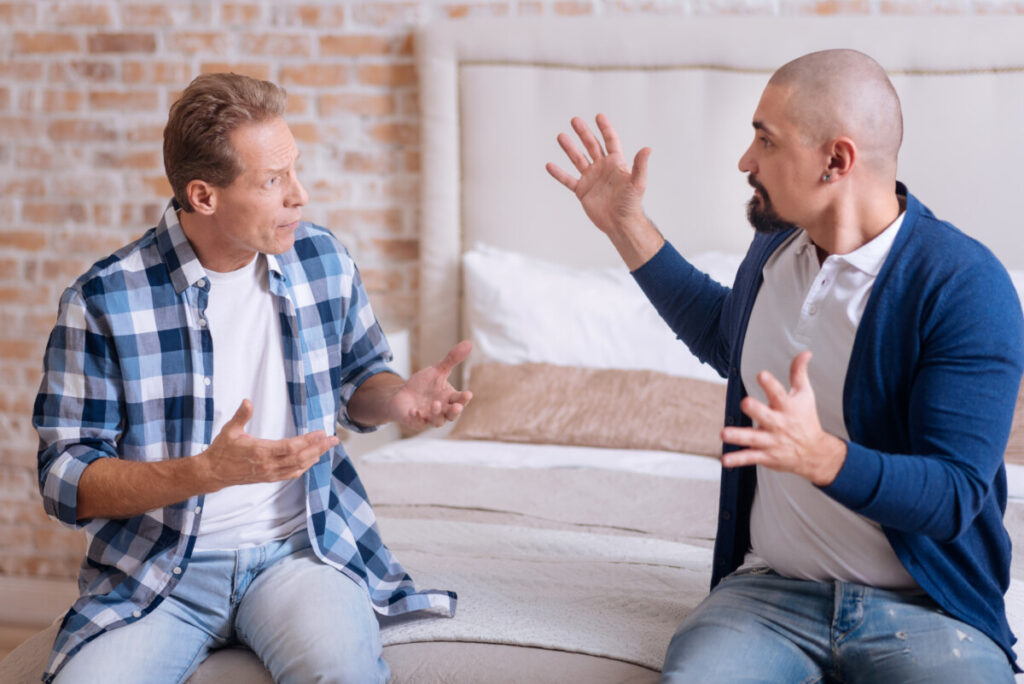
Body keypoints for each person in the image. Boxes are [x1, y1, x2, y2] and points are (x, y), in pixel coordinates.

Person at [547, 49, 1023, 682]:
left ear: (837, 160)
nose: (746, 161)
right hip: (768, 598)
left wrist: (821, 457)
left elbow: (955, 495)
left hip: (930, 609)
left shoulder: (963, 285)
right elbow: (728, 338)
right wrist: (625, 223)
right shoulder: (777, 245)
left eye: (765, 141)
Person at [33, 72, 471, 684]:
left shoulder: (322, 259)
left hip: (301, 553)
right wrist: (205, 474)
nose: (301, 195)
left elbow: (357, 384)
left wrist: (394, 398)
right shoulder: (104, 299)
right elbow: (64, 478)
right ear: (204, 196)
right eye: (273, 181)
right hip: (158, 570)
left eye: (294, 170)